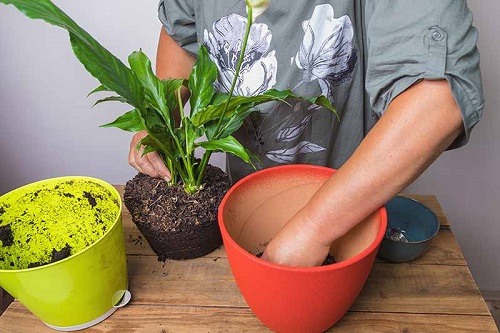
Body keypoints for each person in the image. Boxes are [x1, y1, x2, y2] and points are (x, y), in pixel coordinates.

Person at [129, 0, 484, 267]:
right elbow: (184, 31)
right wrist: (159, 119)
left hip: (345, 217)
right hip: (242, 204)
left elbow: (437, 102)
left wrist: (314, 229)